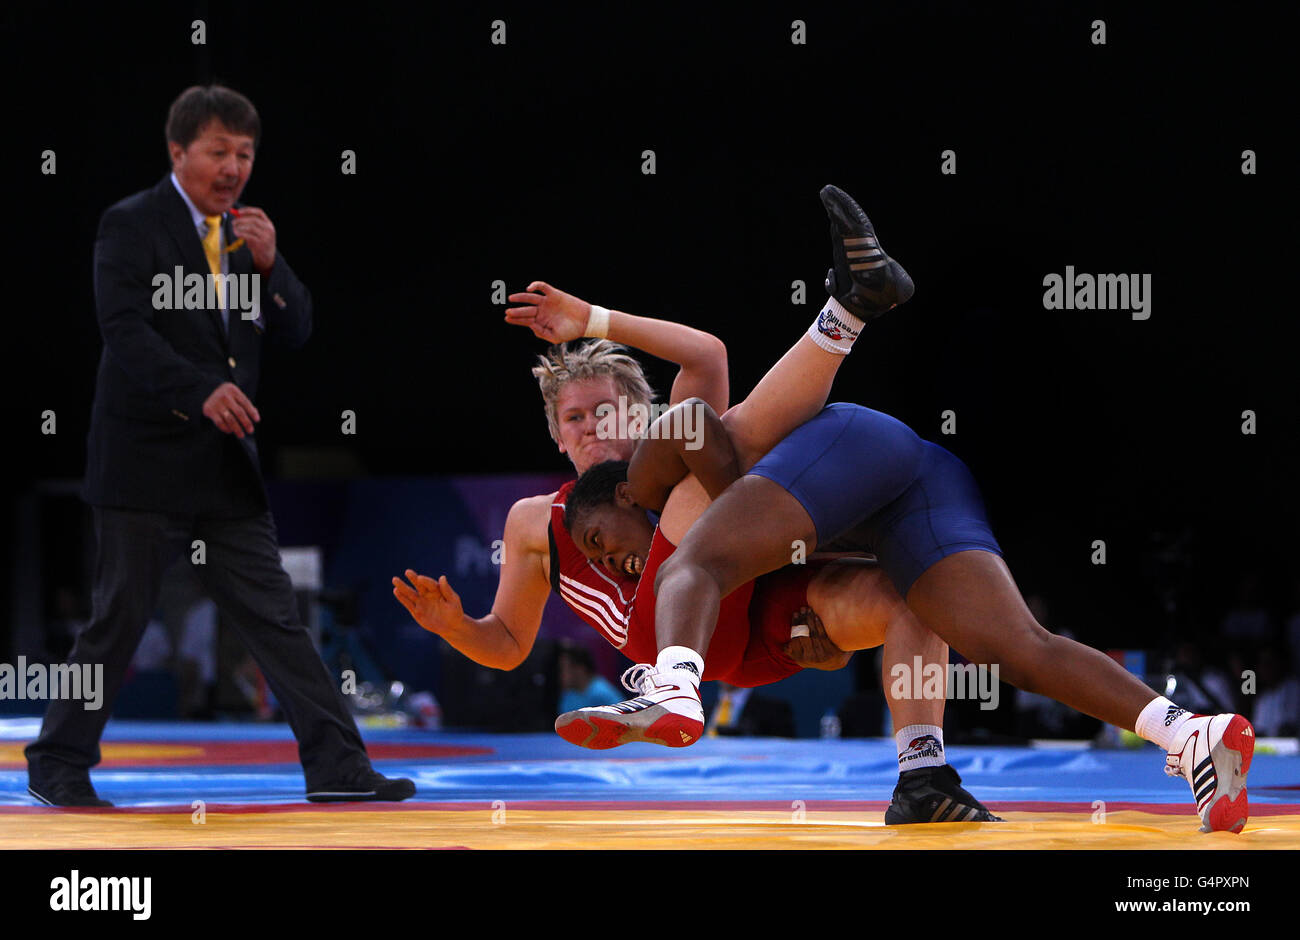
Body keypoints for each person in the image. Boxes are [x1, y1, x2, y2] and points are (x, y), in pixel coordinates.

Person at [562, 189, 1256, 833]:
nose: (610, 563)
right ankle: (1188, 734)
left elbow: (692, 421)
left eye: (599, 543)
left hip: (854, 448)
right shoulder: (740, 541)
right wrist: (820, 629)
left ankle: (674, 690)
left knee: (694, 562)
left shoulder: (651, 486)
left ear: (623, 496)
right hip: (917, 483)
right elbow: (817, 611)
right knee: (1016, 647)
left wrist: (597, 329)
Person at [397, 186, 999, 823]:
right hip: (660, 637)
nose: (592, 426)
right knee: (714, 448)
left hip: (765, 627)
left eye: (608, 410)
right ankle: (847, 312)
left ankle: (923, 775)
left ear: (639, 416)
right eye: (573, 417)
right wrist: (455, 627)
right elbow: (511, 642)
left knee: (910, 595)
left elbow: (707, 354)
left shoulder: (674, 445)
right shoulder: (535, 519)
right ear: (555, 434)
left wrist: (595, 318)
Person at [25, 84, 412, 807]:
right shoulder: (130, 224)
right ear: (178, 152)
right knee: (120, 618)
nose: (233, 167)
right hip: (142, 459)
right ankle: (57, 760)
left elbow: (296, 329)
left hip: (223, 468)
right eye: (218, 152)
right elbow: (124, 329)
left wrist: (273, 267)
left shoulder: (244, 236)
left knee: (278, 617)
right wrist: (197, 389)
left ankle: (336, 767)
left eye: (245, 153)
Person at [556, 643, 621, 712]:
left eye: (564, 668)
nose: (561, 674)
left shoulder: (601, 694)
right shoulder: (568, 695)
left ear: (580, 669)